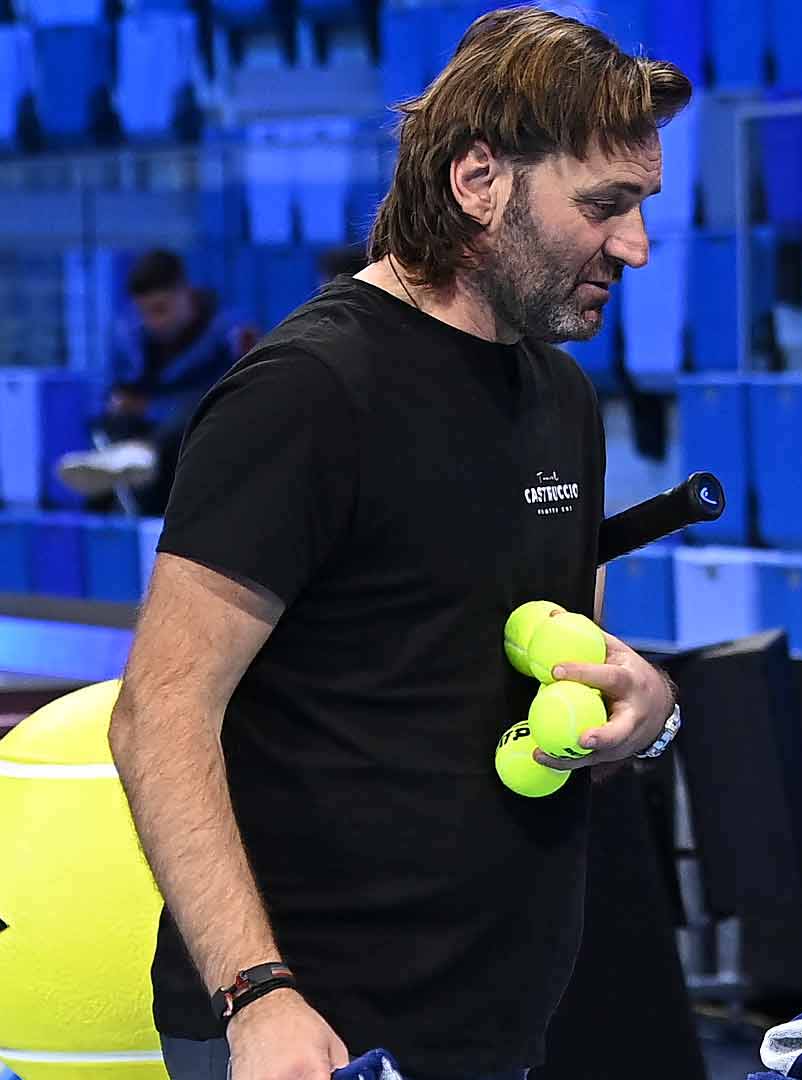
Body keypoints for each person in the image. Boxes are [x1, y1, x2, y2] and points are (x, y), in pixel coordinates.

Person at [105, 10, 692, 1080]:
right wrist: (255, 993)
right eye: (605, 206)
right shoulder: (307, 393)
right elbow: (158, 713)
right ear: (479, 181)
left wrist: (641, 709)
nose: (636, 245)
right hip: (302, 1033)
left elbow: (549, 659)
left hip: (490, 1024)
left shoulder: (560, 393)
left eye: (643, 206)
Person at [56, 249, 258, 514]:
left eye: (161, 309)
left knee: (198, 412)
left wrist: (149, 408)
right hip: (142, 437)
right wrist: (119, 403)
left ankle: (140, 454)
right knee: (114, 430)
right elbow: (108, 393)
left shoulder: (230, 334)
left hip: (202, 441)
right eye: (145, 312)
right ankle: (121, 472)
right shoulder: (128, 334)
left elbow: (244, 397)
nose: (154, 322)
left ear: (186, 292)